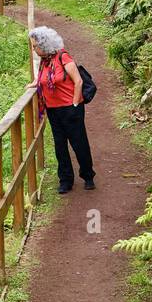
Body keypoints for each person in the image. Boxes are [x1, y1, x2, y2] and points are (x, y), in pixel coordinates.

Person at [27, 25, 95, 194]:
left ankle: (88, 176)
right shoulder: (45, 62)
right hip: (53, 111)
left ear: (44, 44)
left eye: (35, 46)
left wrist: (74, 104)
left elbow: (78, 81)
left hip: (71, 109)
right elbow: (42, 80)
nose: (33, 49)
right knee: (60, 146)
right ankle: (65, 180)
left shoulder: (63, 57)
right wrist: (34, 84)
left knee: (79, 143)